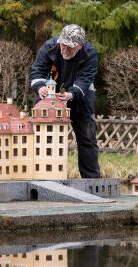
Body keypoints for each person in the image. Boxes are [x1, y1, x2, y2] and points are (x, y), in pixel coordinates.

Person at [30, 24, 100, 179]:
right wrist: (39, 87)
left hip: (80, 97)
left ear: (80, 46)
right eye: (63, 44)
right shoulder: (48, 47)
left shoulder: (90, 54)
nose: (65, 50)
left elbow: (85, 80)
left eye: (70, 47)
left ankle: (91, 181)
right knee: (44, 136)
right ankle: (43, 177)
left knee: (87, 137)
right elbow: (37, 70)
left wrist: (71, 94)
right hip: (48, 98)